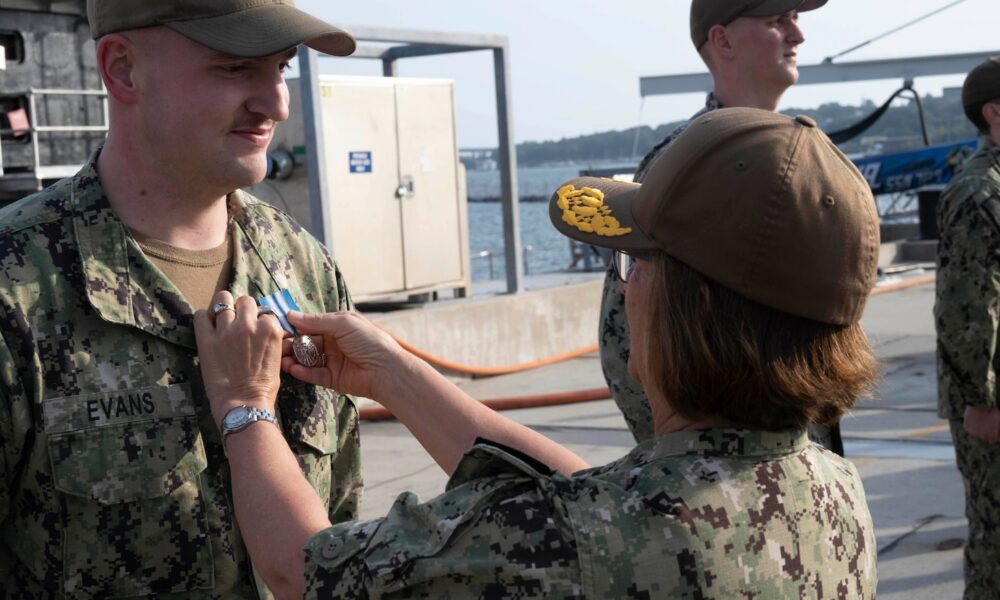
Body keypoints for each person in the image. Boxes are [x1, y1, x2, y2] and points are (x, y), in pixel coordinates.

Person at [195, 108, 879, 599]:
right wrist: (395, 375)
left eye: (634, 266)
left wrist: (244, 407)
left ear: (693, 308)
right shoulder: (830, 490)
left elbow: (304, 571)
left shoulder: (567, 541)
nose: (626, 289)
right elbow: (597, 494)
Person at [0, 1, 363, 596]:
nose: (276, 104)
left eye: (280, 67)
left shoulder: (304, 267)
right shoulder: (17, 287)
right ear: (123, 70)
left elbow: (339, 525)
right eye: (234, 68)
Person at [600, 0, 842, 452]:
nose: (798, 35)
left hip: (802, 456)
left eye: (796, 19)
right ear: (722, 40)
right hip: (720, 474)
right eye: (777, 21)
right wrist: (679, 459)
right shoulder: (683, 166)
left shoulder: (802, 158)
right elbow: (626, 339)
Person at [934, 55, 1000, 600]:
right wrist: (980, 398)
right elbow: (965, 308)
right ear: (994, 112)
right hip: (992, 402)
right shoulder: (979, 193)